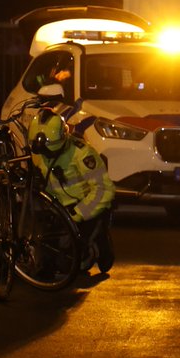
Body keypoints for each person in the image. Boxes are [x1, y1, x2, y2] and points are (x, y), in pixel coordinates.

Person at [27, 107, 116, 273]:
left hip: (83, 209)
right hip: (58, 210)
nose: (45, 154)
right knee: (48, 266)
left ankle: (99, 243)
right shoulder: (38, 152)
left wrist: (77, 214)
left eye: (49, 148)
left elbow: (104, 189)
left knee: (76, 263)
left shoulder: (82, 153)